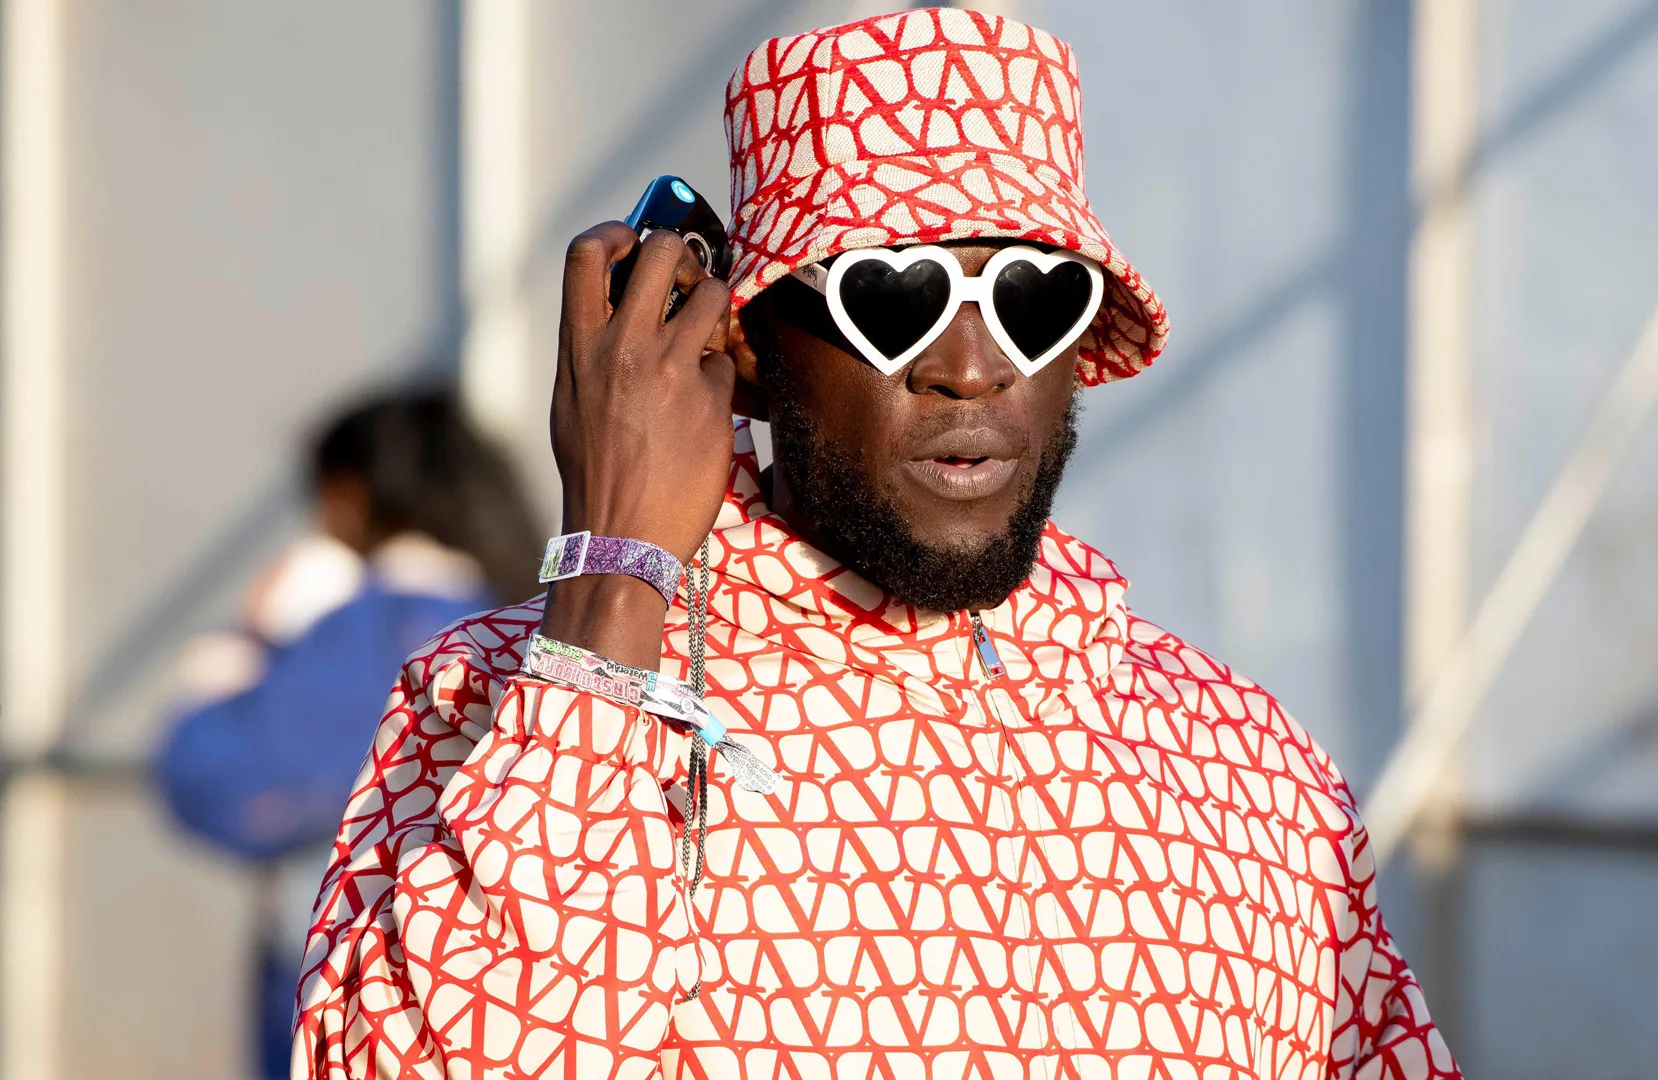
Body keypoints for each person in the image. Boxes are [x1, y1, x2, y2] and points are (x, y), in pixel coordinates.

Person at [294, 10, 1458, 1079]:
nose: (971, 362)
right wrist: (614, 576)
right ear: (742, 347)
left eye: (1034, 295)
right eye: (891, 296)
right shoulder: (494, 706)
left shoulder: (1247, 770)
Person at [155, 388, 540, 1080]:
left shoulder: (370, 628)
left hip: (356, 988)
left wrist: (247, 641)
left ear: (347, 496)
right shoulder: (523, 616)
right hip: (497, 994)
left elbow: (214, 783)